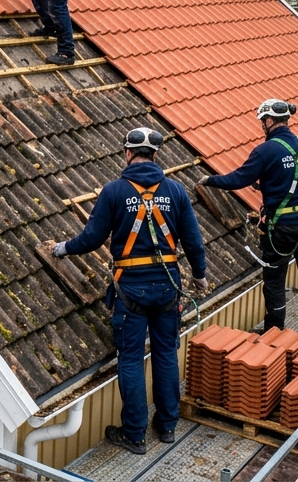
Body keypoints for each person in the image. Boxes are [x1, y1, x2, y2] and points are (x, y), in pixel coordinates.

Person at [44, 128, 208, 454]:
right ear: (156, 156)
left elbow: (91, 239)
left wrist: (61, 248)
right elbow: (193, 242)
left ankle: (135, 435)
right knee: (165, 356)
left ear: (127, 153)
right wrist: (200, 277)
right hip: (167, 289)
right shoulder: (175, 191)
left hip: (131, 292)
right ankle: (167, 427)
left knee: (131, 360)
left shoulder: (115, 192)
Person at [197, 99, 298, 349]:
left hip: (282, 229)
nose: (262, 126)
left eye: (263, 121)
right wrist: (268, 184)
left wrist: (210, 180)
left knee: (274, 280)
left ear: (269, 121)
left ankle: (274, 333)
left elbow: (238, 178)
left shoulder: (266, 150)